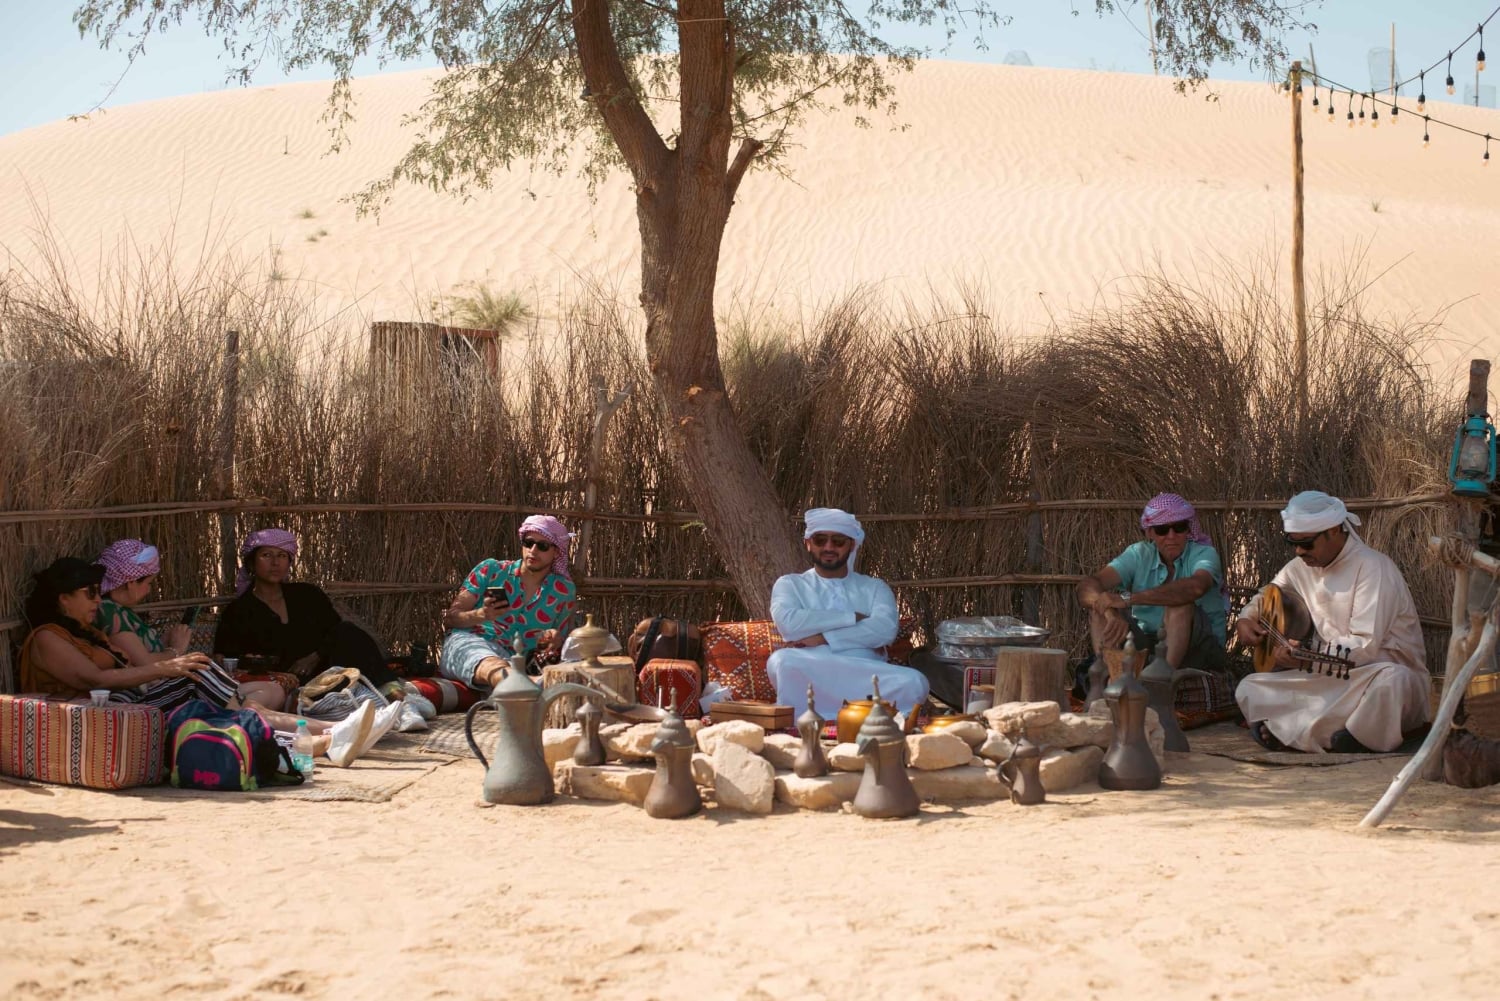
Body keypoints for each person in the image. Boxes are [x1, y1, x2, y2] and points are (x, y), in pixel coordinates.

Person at [18, 556, 389, 766]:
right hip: (98, 711)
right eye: (89, 594)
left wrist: (171, 664)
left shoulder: (87, 632)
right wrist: (168, 666)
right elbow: (94, 677)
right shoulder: (49, 638)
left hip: (126, 704)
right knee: (204, 682)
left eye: (99, 593)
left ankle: (329, 734)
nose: (97, 601)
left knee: (228, 709)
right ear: (62, 599)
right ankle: (332, 730)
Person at [1234, 491, 1430, 754]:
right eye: (1292, 543)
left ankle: (1293, 729)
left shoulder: (1373, 568)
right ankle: (1337, 734)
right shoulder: (1299, 567)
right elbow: (1268, 593)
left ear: (1335, 530)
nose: (1299, 551)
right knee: (1250, 686)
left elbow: (1364, 647)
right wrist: (1246, 618)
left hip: (1375, 676)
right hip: (1330, 678)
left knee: (1392, 682)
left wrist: (1307, 658)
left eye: (1306, 543)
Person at [95, 537, 295, 710]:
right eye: (148, 584)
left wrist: (163, 643)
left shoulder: (122, 612)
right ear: (131, 582)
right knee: (199, 666)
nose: (148, 590)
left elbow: (141, 654)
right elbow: (146, 665)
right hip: (147, 693)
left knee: (274, 690)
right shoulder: (110, 612)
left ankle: (236, 713)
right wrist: (176, 649)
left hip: (162, 684)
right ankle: (240, 717)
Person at [766, 508, 927, 717]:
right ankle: (810, 717)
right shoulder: (790, 584)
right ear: (808, 543)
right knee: (782, 661)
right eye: (820, 540)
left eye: (838, 541)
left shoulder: (874, 587)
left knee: (916, 682)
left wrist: (822, 637)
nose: (829, 547)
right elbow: (789, 624)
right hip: (815, 671)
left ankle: (853, 714)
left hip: (866, 673)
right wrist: (851, 617)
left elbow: (884, 630)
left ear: (851, 545)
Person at [214, 527, 399, 694]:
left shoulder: (307, 594)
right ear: (252, 564)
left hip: (327, 669)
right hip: (287, 683)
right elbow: (230, 657)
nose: (275, 563)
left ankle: (395, 694)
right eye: (266, 555)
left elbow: (335, 631)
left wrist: (314, 657)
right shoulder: (238, 611)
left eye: (282, 556)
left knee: (348, 632)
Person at [1076, 492, 1229, 673]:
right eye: (1162, 529)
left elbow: (1196, 587)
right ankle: (1114, 680)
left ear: (1188, 529)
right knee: (1099, 609)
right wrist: (1110, 612)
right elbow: (1086, 586)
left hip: (1201, 648)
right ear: (1150, 532)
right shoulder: (1139, 553)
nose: (1171, 536)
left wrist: (1128, 599)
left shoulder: (1204, 554)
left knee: (1179, 605)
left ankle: (1161, 682)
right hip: (1147, 643)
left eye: (1179, 527)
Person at [439, 515, 578, 690]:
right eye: (528, 543)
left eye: (542, 546)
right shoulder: (491, 570)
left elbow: (556, 644)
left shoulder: (563, 591)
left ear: (557, 552)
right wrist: (480, 615)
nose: (533, 550)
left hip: (516, 660)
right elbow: (451, 619)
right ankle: (524, 685)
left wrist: (552, 639)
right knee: (488, 662)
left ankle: (518, 684)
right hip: (470, 642)